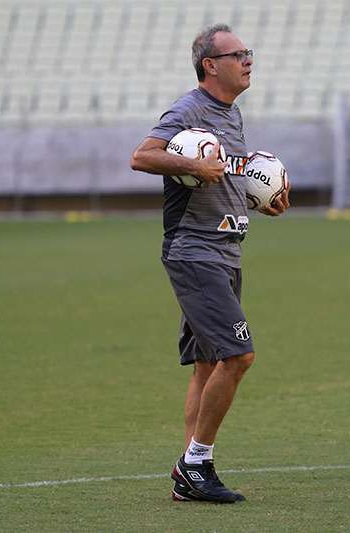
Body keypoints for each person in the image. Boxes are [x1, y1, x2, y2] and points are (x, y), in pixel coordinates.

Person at [130, 24, 290, 503]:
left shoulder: (231, 114)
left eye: (248, 53)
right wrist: (195, 167)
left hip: (225, 252)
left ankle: (189, 476)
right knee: (238, 356)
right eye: (238, 54)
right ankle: (195, 465)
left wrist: (263, 198)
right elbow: (142, 157)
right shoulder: (188, 109)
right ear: (210, 65)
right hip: (195, 251)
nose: (249, 60)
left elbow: (226, 177)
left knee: (204, 366)